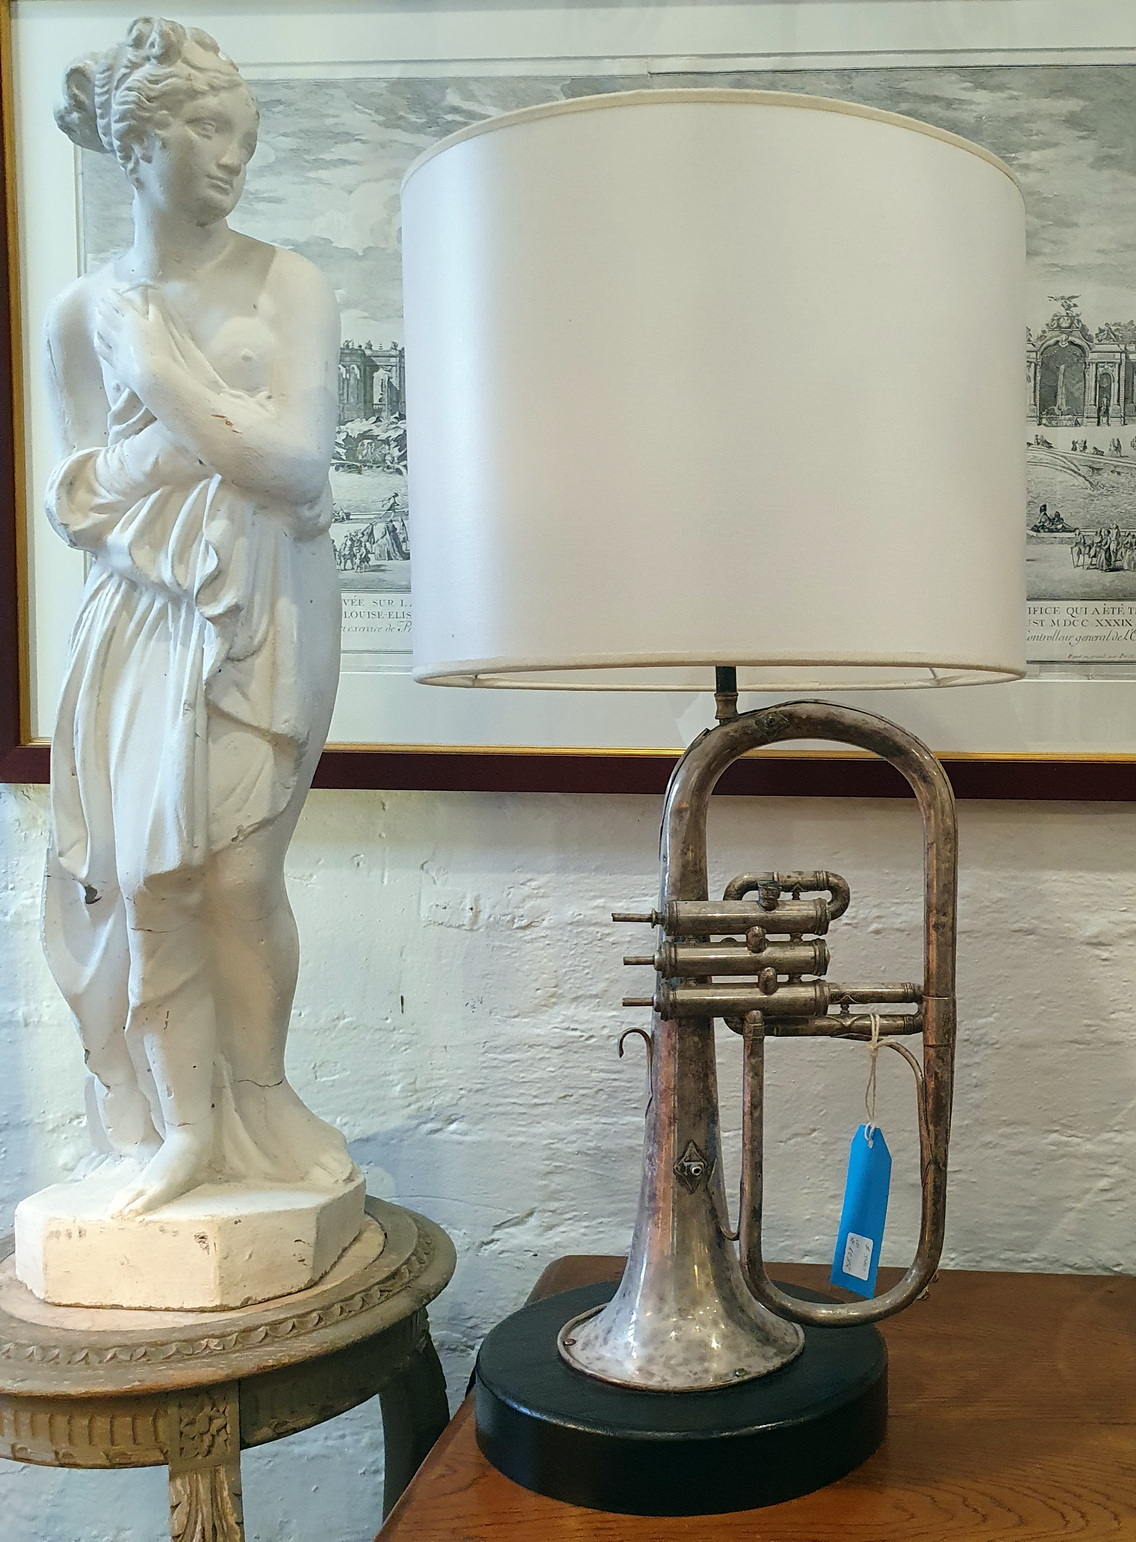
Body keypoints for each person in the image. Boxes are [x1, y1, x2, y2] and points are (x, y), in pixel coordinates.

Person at [44, 17, 356, 1219]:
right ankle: (184, 1128)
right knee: (147, 878)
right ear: (141, 142)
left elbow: (297, 467)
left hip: (268, 601)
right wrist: (192, 448)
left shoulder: (290, 284)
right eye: (211, 132)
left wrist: (163, 379)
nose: (234, 159)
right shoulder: (81, 312)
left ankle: (263, 1098)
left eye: (245, 138)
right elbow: (80, 499)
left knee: (239, 875)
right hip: (136, 610)